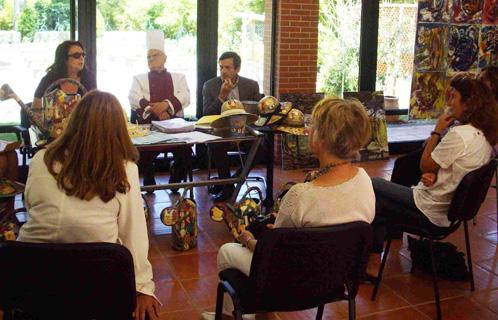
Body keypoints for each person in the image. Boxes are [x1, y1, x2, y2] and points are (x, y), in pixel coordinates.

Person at [201, 97, 375, 320]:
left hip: (293, 281)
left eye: (314, 126)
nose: (309, 129)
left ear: (322, 138)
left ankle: (230, 315)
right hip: (337, 278)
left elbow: (270, 253)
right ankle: (264, 316)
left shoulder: (302, 195)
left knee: (228, 251)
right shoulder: (365, 180)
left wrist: (247, 239)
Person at [18, 90, 161, 320]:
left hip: (32, 280)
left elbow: (31, 206)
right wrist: (144, 287)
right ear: (119, 128)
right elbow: (133, 232)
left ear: (74, 120)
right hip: (95, 283)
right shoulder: (124, 169)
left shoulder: (40, 159)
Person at [368, 75, 498, 275]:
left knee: (373, 186)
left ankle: (371, 260)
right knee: (382, 196)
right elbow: (458, 170)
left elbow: (424, 164)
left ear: (468, 103)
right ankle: (372, 254)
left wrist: (437, 131)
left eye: (453, 97)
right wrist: (437, 175)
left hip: (431, 211)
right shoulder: (484, 136)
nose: (449, 102)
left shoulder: (460, 134)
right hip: (450, 212)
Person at [129, 30, 192, 190]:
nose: (151, 59)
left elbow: (185, 96)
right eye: (148, 57)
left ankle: (175, 180)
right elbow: (133, 97)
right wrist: (156, 110)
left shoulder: (179, 77)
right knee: (141, 154)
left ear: (164, 57)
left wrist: (166, 105)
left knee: (186, 154)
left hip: (175, 129)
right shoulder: (139, 78)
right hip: (148, 128)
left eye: (155, 55)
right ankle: (149, 182)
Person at [202, 52, 261, 201]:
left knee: (261, 147)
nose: (223, 71)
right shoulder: (210, 85)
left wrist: (240, 133)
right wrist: (222, 96)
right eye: (221, 67)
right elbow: (206, 114)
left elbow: (255, 114)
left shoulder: (251, 85)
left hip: (245, 130)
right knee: (215, 145)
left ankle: (236, 178)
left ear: (237, 69)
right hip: (221, 130)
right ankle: (228, 187)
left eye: (228, 67)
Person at [33, 40, 96, 108]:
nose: (81, 58)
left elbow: (95, 106)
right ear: (64, 59)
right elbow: (36, 106)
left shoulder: (89, 78)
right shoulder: (49, 78)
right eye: (76, 55)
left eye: (83, 55)